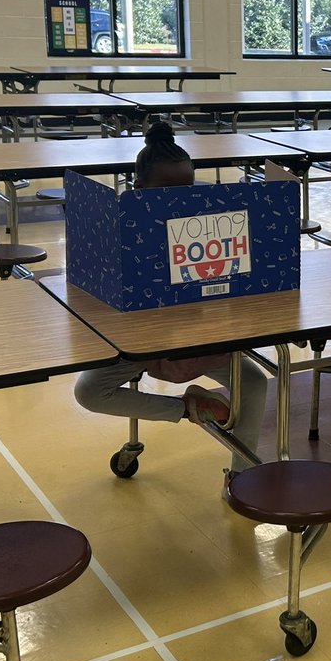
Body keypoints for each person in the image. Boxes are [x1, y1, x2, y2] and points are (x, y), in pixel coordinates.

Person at [73, 121, 269, 486]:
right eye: (165, 191)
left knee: (255, 383)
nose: (179, 199)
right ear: (139, 189)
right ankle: (187, 408)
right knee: (88, 391)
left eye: (187, 189)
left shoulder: (214, 221)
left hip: (203, 337)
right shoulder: (120, 231)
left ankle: (242, 475)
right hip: (146, 344)